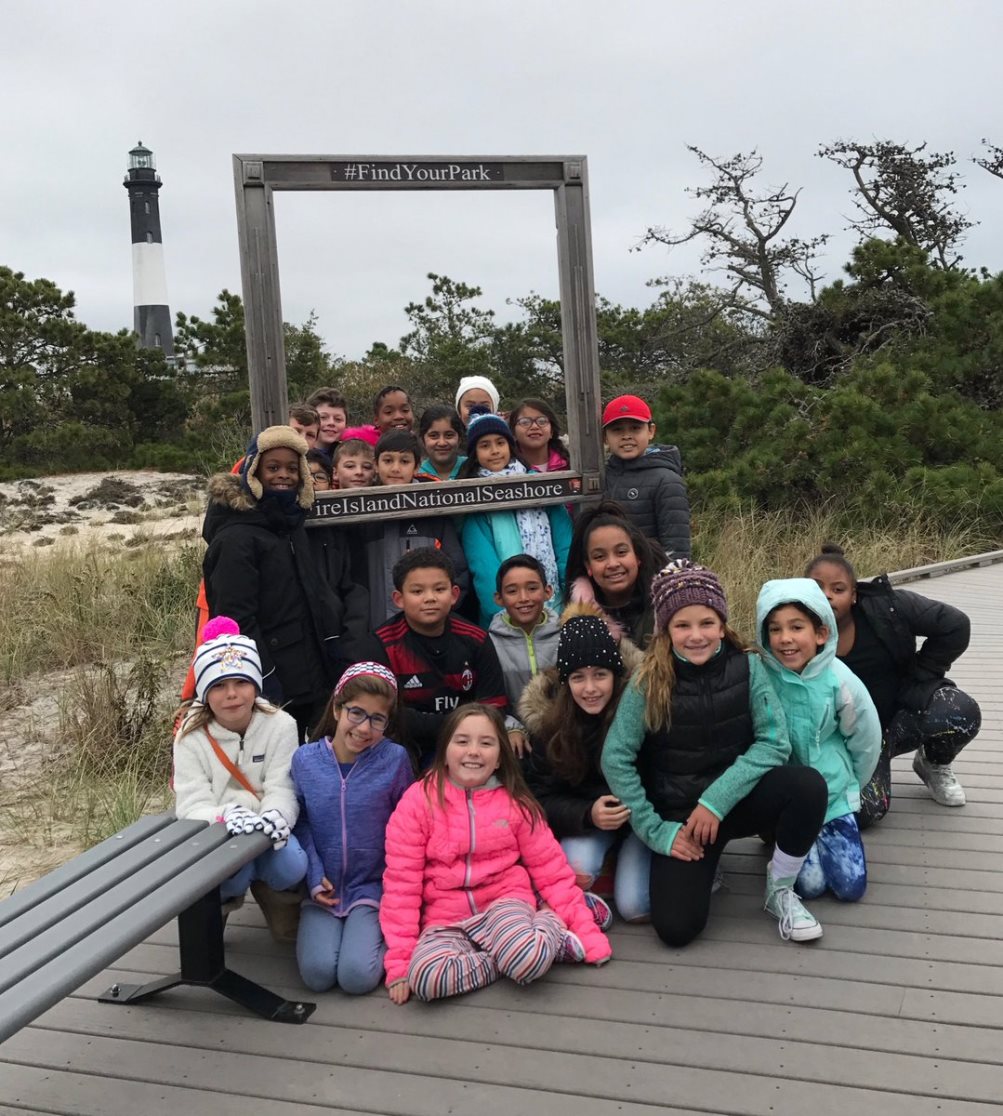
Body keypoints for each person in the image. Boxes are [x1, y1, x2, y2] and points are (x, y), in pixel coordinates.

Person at [603, 561, 829, 946]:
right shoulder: (647, 681)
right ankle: (709, 864)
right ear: (665, 630)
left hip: (735, 801)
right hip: (682, 817)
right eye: (682, 625)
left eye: (707, 622)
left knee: (807, 786)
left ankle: (781, 890)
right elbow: (616, 757)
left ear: (722, 623)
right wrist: (657, 831)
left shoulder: (749, 665)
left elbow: (775, 741)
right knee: (677, 929)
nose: (696, 635)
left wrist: (716, 801)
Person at [380, 703, 611, 1004]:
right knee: (424, 978)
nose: (473, 751)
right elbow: (402, 886)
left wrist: (588, 934)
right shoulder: (417, 802)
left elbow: (551, 871)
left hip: (503, 904)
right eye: (462, 741)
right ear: (445, 749)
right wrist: (400, 962)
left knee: (526, 960)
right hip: (445, 918)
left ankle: (550, 919)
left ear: (500, 757)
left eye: (486, 743)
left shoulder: (516, 803)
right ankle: (507, 957)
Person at [807, 544, 981, 822]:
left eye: (838, 589)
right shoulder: (790, 630)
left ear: (854, 595)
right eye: (816, 588)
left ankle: (933, 763)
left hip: (894, 722)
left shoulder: (888, 607)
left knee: (960, 712)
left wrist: (920, 676)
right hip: (845, 739)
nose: (826, 596)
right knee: (864, 812)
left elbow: (955, 625)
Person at [202, 425, 354, 738]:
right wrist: (264, 681)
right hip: (274, 679)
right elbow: (236, 617)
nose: (282, 475)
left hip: (311, 672)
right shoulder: (236, 538)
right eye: (272, 467)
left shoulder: (291, 526)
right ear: (254, 471)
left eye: (291, 468)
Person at [520, 603, 650, 923]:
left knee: (634, 907)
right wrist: (587, 814)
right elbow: (540, 798)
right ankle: (608, 863)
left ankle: (627, 864)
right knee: (576, 867)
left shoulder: (641, 712)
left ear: (615, 676)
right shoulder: (550, 726)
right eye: (578, 677)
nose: (590, 689)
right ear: (566, 682)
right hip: (590, 819)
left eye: (600, 675)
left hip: (643, 821)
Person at [756, 578, 882, 902]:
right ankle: (778, 838)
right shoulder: (762, 680)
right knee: (810, 886)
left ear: (820, 633)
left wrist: (853, 782)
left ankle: (828, 835)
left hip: (835, 794)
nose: (785, 639)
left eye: (797, 627)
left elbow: (866, 739)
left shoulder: (839, 680)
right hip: (791, 802)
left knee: (850, 888)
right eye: (774, 629)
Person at [291, 662, 413, 994]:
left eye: (377, 719)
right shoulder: (305, 760)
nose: (364, 728)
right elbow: (298, 822)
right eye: (356, 713)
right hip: (323, 892)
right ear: (337, 707)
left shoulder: (394, 759)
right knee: (317, 975)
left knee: (356, 977)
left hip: (373, 889)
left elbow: (409, 824)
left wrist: (396, 886)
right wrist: (313, 876)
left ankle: (386, 939)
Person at [173, 617, 307, 907]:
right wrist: (224, 816)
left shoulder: (281, 725)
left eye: (241, 682)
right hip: (217, 834)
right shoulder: (190, 735)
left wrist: (277, 816)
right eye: (219, 685)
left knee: (292, 865)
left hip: (264, 830)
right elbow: (191, 805)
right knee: (232, 872)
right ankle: (224, 902)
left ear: (256, 685)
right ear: (205, 693)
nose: (232, 694)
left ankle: (271, 893)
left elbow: (283, 788)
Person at [375, 549, 507, 767]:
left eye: (439, 589)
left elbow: (493, 707)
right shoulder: (382, 644)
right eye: (417, 591)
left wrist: (460, 732)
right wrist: (455, 722)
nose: (430, 598)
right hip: (404, 748)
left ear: (454, 594)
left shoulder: (477, 639)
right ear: (399, 599)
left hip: (467, 745)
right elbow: (386, 715)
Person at [458, 409, 573, 625]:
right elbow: (483, 569)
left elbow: (564, 545)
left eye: (500, 443)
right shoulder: (474, 500)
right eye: (485, 445)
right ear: (475, 452)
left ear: (510, 446)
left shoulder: (539, 486)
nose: (494, 451)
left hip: (555, 606)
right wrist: (502, 615)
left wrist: (570, 595)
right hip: (506, 618)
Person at [351, 431, 470, 627]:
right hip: (376, 628)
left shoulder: (433, 510)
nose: (395, 468)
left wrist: (440, 616)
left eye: (404, 461)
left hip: (431, 628)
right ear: (376, 465)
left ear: (416, 467)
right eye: (388, 460)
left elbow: (458, 571)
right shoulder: (360, 513)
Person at [565, 501, 666, 648]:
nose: (612, 564)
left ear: (638, 556)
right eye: (599, 557)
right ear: (588, 567)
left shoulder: (668, 607)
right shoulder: (578, 623)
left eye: (621, 552)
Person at [601, 394, 691, 559]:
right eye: (617, 429)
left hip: (652, 578)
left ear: (651, 431)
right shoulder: (601, 476)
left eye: (635, 428)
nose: (626, 435)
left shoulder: (667, 481)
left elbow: (677, 547)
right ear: (605, 437)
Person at [508, 398, 569, 473]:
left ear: (552, 431)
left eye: (542, 421)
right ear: (513, 432)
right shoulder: (504, 469)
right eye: (525, 422)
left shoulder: (571, 464)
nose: (534, 426)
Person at [418, 404, 466, 480]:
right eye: (433, 436)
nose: (442, 443)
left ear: (459, 438)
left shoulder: (474, 469)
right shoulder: (415, 475)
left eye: (449, 435)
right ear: (423, 440)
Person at [306, 388, 348, 453]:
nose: (331, 423)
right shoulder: (296, 455)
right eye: (323, 417)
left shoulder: (352, 455)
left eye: (338, 419)